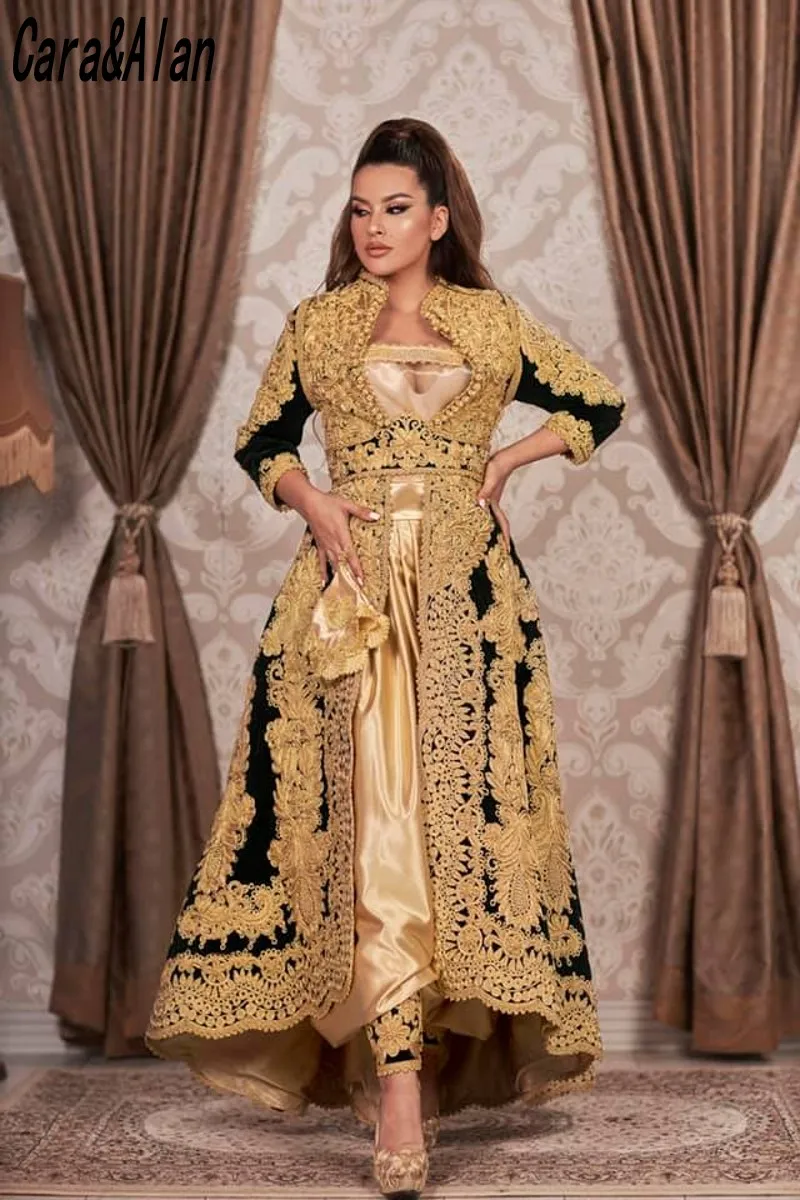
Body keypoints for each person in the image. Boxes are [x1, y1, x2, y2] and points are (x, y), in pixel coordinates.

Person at [146, 117, 626, 1199]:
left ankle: (421, 1065)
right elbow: (261, 442)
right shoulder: (318, 324)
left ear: (438, 219)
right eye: (360, 209)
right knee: (371, 836)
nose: (373, 227)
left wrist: (508, 459)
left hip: (466, 612)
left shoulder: (491, 321)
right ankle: (395, 1088)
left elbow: (598, 402)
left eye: (396, 208)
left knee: (447, 833)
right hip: (346, 602)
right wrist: (313, 502)